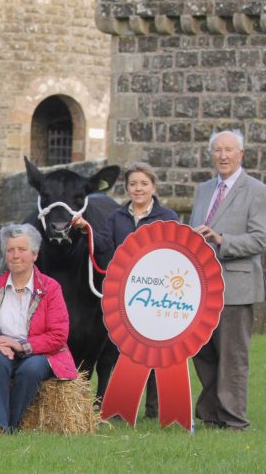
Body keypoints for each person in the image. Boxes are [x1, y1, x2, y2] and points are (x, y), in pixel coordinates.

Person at [75, 161, 179, 418]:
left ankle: (155, 409)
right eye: (133, 184)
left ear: (153, 186)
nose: (138, 189)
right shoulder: (117, 217)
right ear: (127, 188)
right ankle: (123, 407)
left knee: (157, 352)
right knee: (127, 351)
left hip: (158, 295)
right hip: (129, 295)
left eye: (144, 184)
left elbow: (176, 253)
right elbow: (103, 245)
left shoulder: (168, 217)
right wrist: (84, 228)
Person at [189, 129, 266, 431]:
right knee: (203, 353)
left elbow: (260, 239)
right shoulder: (203, 190)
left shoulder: (257, 190)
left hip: (235, 287)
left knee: (232, 356)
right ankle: (212, 415)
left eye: (229, 150)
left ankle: (235, 420)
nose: (223, 156)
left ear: (241, 154)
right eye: (218, 150)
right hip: (202, 288)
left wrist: (222, 240)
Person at [0, 223, 77, 433]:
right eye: (10, 250)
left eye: (22, 250)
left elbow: (58, 336)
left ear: (35, 255)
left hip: (40, 354)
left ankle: (9, 425)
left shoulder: (51, 288)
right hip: (2, 351)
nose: (15, 255)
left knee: (31, 369)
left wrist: (21, 346)